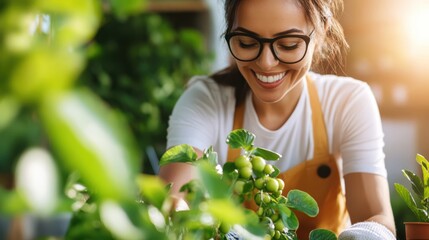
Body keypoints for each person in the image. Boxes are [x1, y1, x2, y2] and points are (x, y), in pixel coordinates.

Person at [159, 0, 396, 239]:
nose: (266, 63)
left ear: (321, 33)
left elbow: (375, 217)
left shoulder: (347, 101)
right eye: (247, 43)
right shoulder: (205, 100)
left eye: (288, 45)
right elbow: (175, 198)